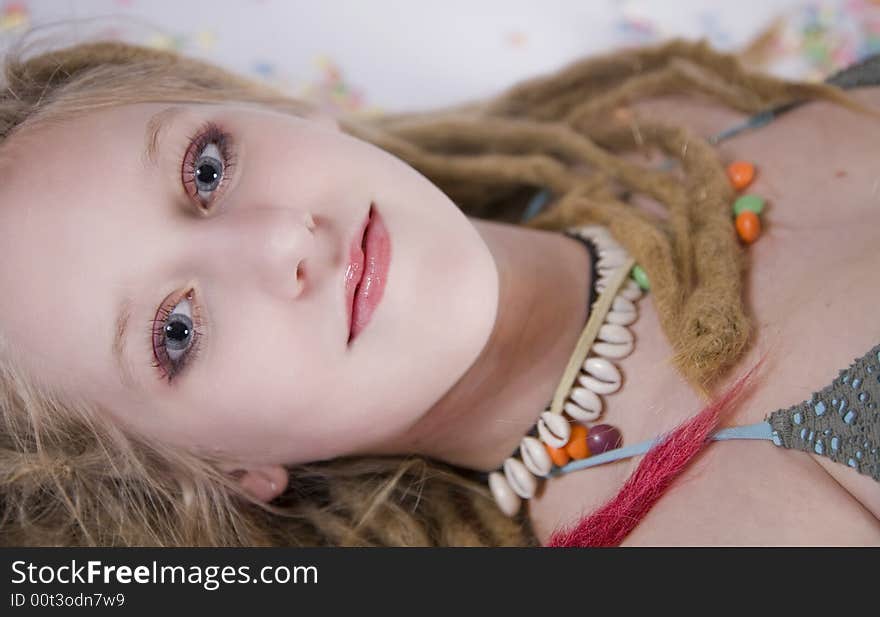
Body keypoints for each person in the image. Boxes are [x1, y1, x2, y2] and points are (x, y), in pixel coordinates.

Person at [0, 33, 877, 547]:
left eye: (209, 166)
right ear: (226, 473)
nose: (278, 239)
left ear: (276, 109)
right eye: (178, 331)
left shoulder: (647, 112)